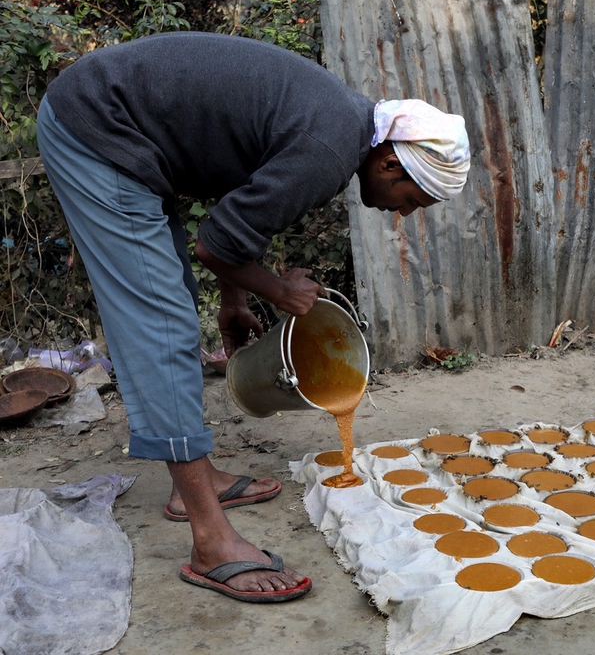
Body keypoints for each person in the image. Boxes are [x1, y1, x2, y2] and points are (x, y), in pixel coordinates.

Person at [35, 32, 471, 603]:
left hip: (130, 131)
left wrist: (234, 300)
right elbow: (215, 246)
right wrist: (279, 290)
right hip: (97, 128)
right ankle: (209, 539)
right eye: (411, 199)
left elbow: (235, 222)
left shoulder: (341, 128)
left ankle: (195, 481)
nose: (402, 213)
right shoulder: (330, 151)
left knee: (172, 297)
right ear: (390, 161)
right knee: (159, 322)